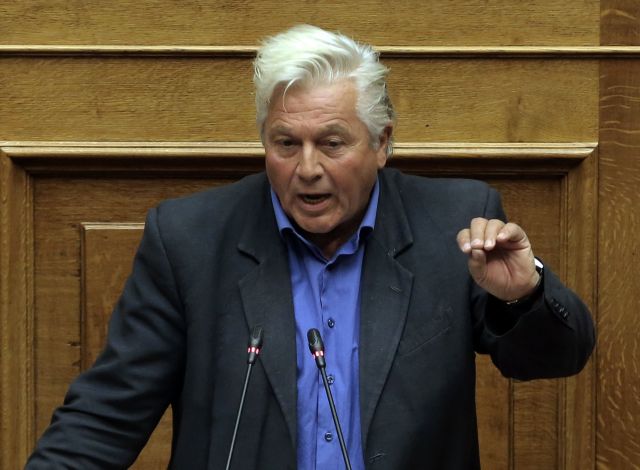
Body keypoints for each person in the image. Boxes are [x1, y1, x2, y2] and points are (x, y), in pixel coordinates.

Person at [26, 25, 594, 469]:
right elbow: (107, 414)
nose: (307, 169)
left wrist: (524, 296)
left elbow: (554, 359)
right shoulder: (190, 239)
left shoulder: (453, 224)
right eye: (285, 143)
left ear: (381, 143)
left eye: (331, 143)